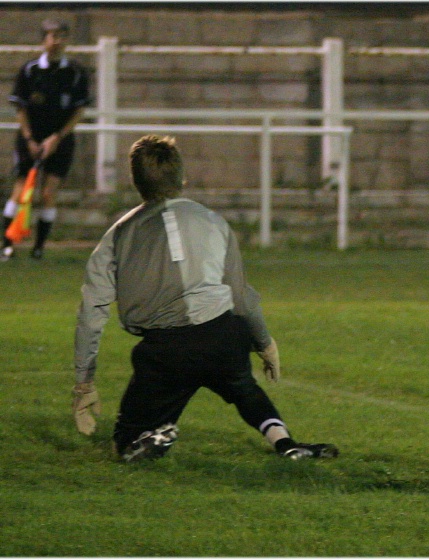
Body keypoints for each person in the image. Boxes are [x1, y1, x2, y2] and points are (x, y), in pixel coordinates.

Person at [71, 134, 338, 462]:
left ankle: (150, 437)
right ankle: (285, 443)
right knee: (244, 390)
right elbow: (241, 296)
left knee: (123, 445)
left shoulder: (118, 234)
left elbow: (92, 310)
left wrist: (84, 382)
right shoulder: (213, 221)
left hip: (165, 350)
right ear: (182, 176)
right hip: (223, 334)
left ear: (135, 181)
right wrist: (264, 343)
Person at [1, 19, 90, 261]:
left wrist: (57, 137)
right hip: (30, 139)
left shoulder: (75, 73)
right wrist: (30, 138)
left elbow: (78, 111)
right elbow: (20, 108)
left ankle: (38, 247)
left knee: (48, 193)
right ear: (44, 40)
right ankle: (7, 245)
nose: (57, 41)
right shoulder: (30, 71)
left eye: (62, 36)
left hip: (60, 140)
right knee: (21, 192)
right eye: (52, 36)